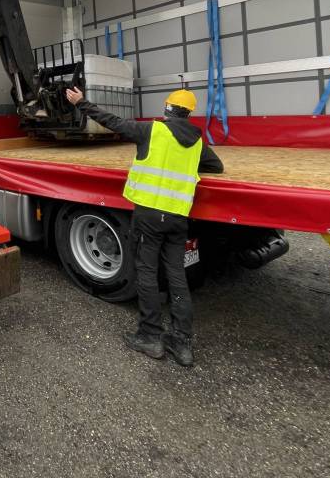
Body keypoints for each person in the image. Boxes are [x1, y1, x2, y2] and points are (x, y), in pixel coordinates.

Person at [65, 87, 223, 367]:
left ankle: (150, 336)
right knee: (176, 275)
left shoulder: (152, 131)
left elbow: (111, 121)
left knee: (147, 272)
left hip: (149, 215)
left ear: (168, 108)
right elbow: (216, 166)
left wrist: (81, 103)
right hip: (177, 217)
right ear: (188, 113)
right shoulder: (197, 141)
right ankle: (182, 342)